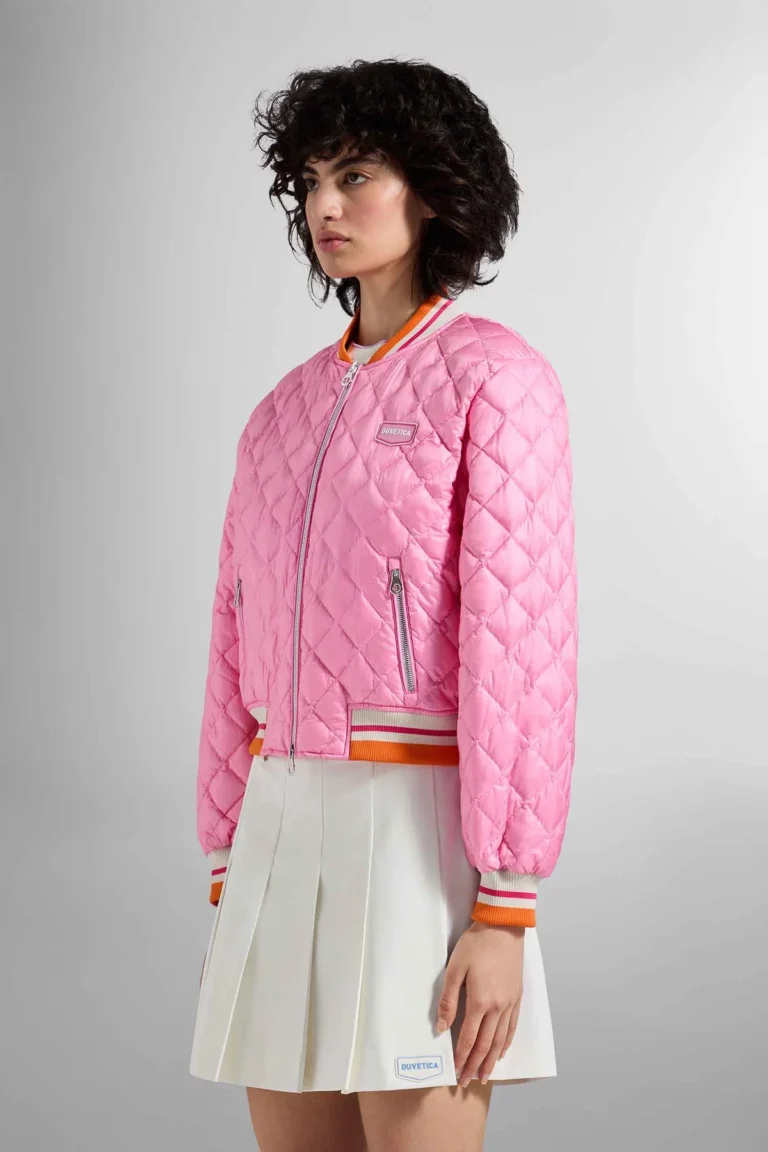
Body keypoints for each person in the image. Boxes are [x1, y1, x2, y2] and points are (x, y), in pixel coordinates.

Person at [189, 57, 579, 1152]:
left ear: (434, 190)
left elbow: (524, 644)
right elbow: (231, 635)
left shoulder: (496, 382)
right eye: (310, 181)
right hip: (280, 839)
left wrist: (503, 908)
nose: (325, 205)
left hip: (421, 837)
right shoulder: (280, 413)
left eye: (355, 175)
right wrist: (229, 856)